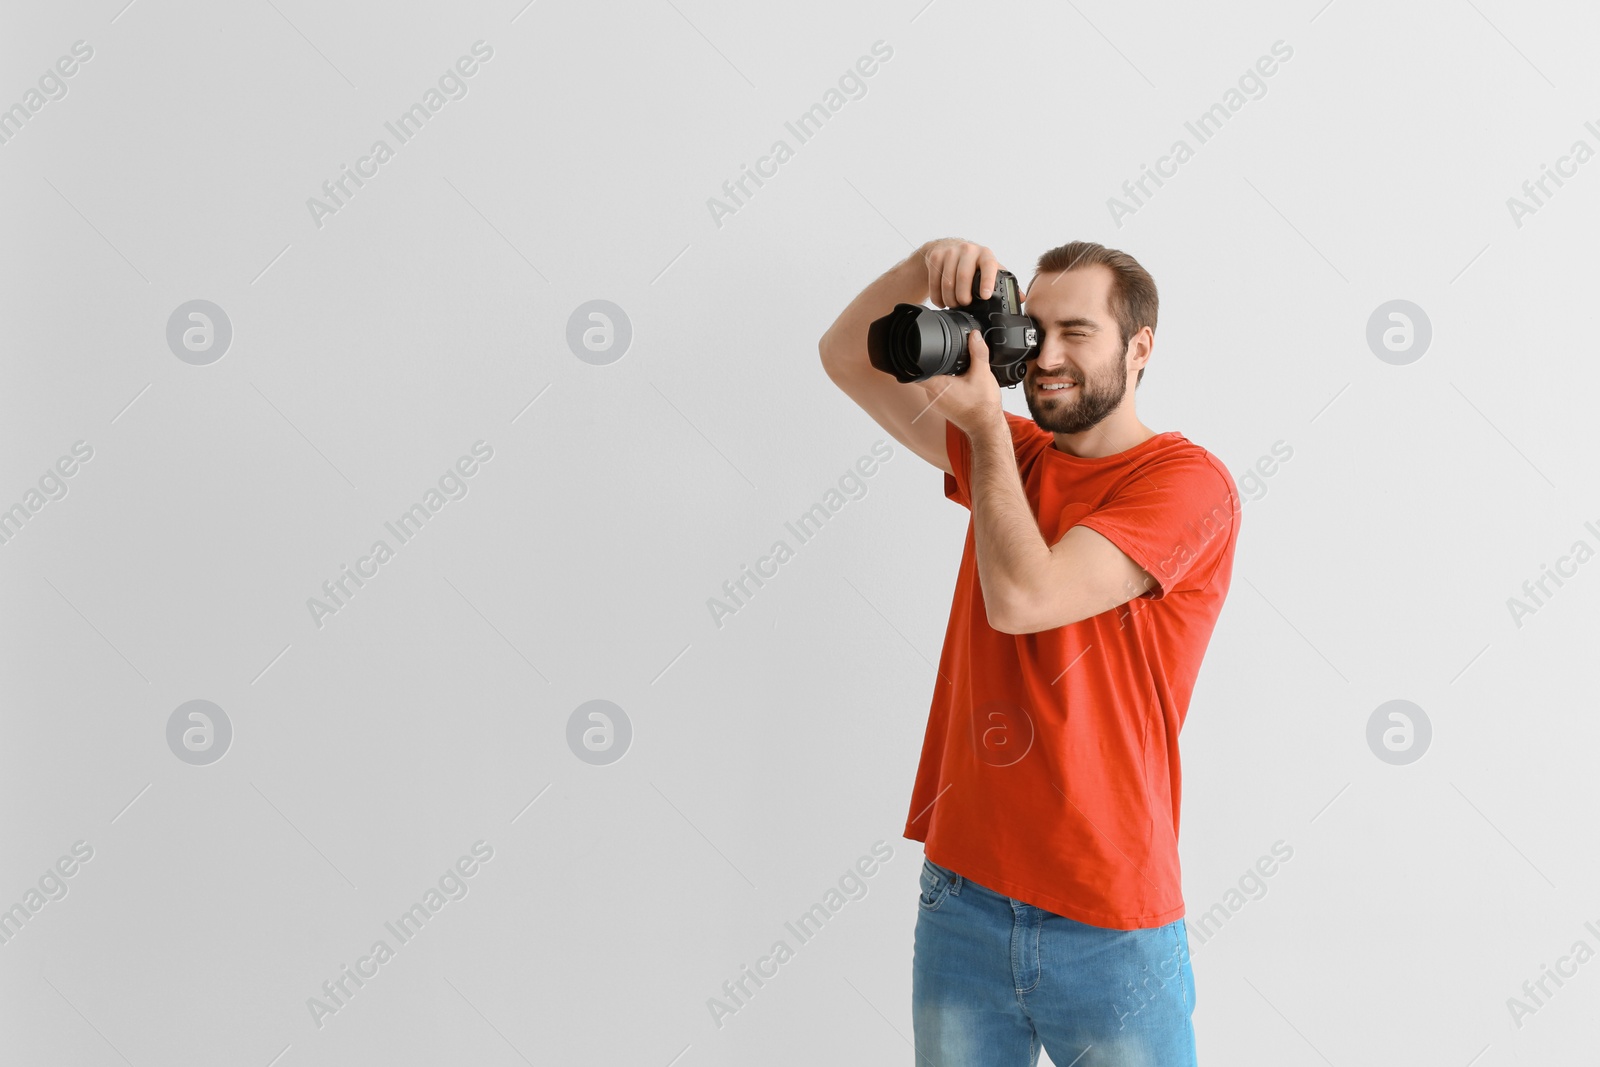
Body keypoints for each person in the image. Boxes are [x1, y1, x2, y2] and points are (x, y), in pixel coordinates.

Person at [818, 238, 1241, 1066]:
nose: (1045, 357)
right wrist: (922, 268)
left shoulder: (1188, 485)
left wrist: (981, 428)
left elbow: (1026, 597)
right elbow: (843, 355)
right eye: (1032, 328)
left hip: (1109, 914)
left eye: (1076, 332)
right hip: (963, 899)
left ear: (1140, 347)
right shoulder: (1008, 454)